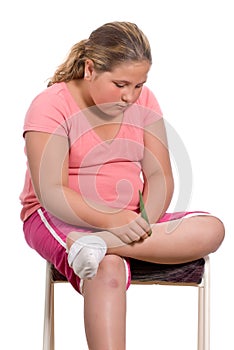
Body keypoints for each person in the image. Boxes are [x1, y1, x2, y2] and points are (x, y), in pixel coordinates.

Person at [20, 21, 225, 349]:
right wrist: (113, 221)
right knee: (107, 268)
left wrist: (144, 222)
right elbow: (51, 191)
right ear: (90, 69)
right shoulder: (51, 104)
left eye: (139, 85)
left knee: (212, 228)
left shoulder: (145, 103)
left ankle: (98, 244)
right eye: (120, 84)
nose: (130, 96)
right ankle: (96, 248)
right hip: (59, 216)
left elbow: (160, 177)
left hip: (125, 221)